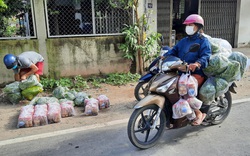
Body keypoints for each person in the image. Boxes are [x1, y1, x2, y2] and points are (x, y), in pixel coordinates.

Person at [164, 14, 212, 126]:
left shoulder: (203, 41)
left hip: (196, 74)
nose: (188, 27)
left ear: (198, 27)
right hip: (182, 73)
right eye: (187, 25)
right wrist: (164, 56)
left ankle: (199, 113)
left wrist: (197, 63)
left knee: (184, 90)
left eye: (191, 25)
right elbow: (173, 50)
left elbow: (206, 56)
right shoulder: (184, 41)